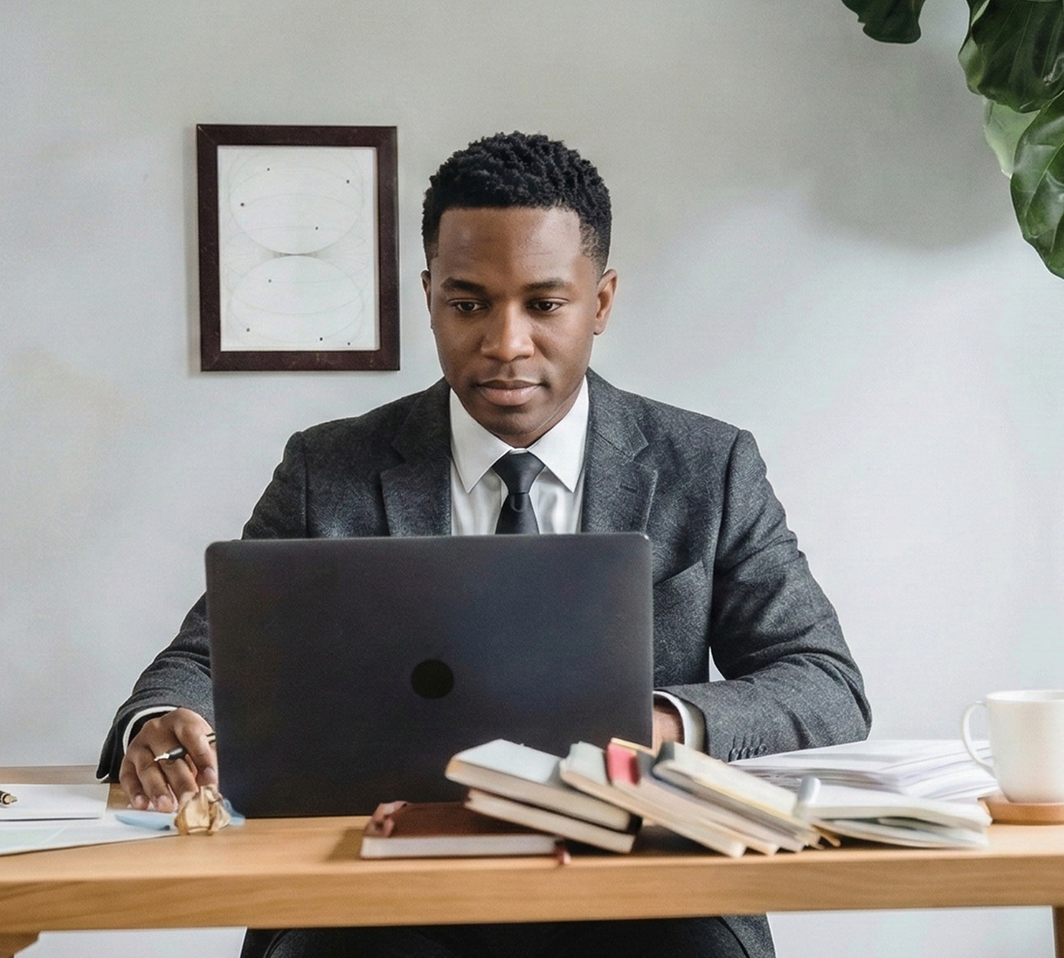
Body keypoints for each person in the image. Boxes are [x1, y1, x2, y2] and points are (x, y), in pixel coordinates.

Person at [98, 132, 870, 958]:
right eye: (468, 304)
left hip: (644, 891)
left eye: (544, 305)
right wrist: (159, 722)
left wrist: (660, 721)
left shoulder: (708, 466)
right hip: (378, 895)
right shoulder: (330, 468)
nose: (505, 343)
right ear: (430, 296)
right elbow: (206, 660)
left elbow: (824, 681)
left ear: (600, 302)